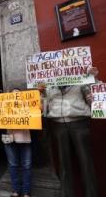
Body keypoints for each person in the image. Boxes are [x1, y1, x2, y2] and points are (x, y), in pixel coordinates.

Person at [38, 67, 98, 197]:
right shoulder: (49, 86)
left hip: (79, 124)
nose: (60, 72)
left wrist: (93, 79)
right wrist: (41, 94)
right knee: (63, 165)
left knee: (86, 164)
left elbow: (98, 98)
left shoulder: (81, 81)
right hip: (58, 126)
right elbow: (43, 108)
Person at [2, 88, 32, 197]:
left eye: (18, 94)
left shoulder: (28, 107)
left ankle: (26, 192)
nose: (15, 96)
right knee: (13, 165)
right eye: (13, 94)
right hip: (9, 139)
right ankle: (15, 191)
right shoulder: (4, 107)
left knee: (27, 165)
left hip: (25, 139)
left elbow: (39, 111)